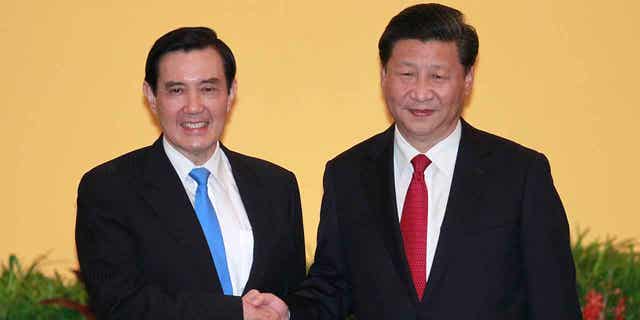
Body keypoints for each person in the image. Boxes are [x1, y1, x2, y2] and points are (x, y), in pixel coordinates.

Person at [256, 3, 581, 319]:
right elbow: (333, 287)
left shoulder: (521, 174)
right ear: (384, 75)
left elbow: (554, 301)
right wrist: (289, 313)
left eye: (438, 77)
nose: (421, 92)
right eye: (407, 74)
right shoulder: (348, 174)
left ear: (467, 79)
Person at [75, 27, 305, 320]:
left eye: (208, 89)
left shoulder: (277, 186)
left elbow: (294, 295)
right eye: (176, 90)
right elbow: (119, 304)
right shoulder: (109, 189)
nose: (194, 107)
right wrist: (235, 313)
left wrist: (287, 314)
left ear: (231, 93)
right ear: (151, 96)